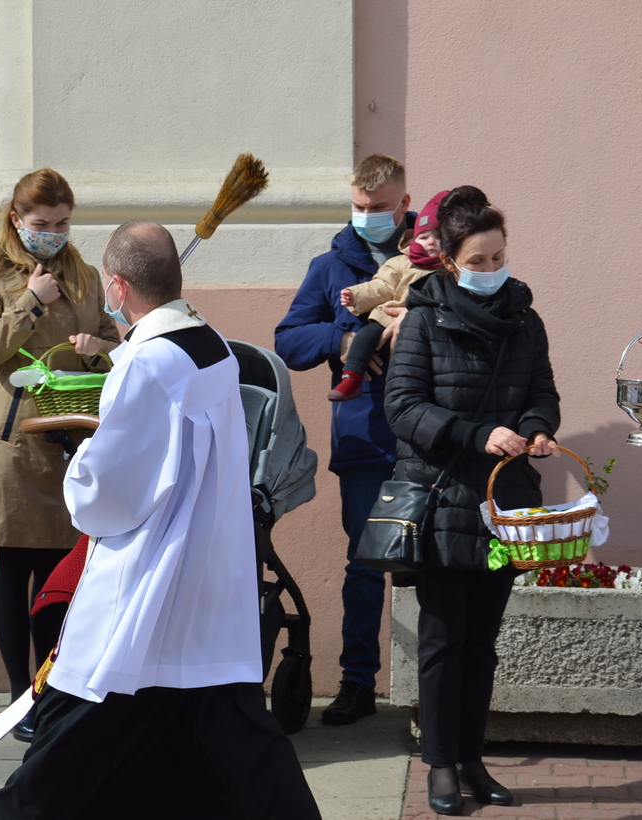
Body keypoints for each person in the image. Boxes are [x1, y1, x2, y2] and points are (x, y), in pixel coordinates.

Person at [0, 220, 320, 820]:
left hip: (150, 584)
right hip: (204, 582)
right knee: (229, 746)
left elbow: (110, 497)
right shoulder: (210, 344)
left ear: (116, 286)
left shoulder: (148, 363)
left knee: (73, 747)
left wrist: (78, 460)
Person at [384, 185, 559, 814]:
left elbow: (543, 390)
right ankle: (438, 766)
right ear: (451, 261)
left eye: (498, 257)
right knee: (441, 639)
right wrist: (477, 434)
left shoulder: (525, 319)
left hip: (504, 504)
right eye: (478, 260)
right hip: (442, 501)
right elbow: (401, 407)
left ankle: (471, 760)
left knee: (482, 642)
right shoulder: (424, 318)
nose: (491, 270)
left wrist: (538, 426)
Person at [0, 169, 121, 719]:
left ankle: (51, 688)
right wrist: (29, 301)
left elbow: (113, 337)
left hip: (72, 437)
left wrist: (96, 345)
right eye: (41, 224)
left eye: (61, 223)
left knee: (60, 570)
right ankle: (17, 694)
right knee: (14, 565)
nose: (53, 233)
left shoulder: (83, 272)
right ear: (17, 220)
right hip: (12, 438)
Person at [274, 152, 413, 724]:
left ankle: (430, 683)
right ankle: (359, 683)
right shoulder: (330, 267)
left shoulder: (433, 258)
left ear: (404, 205)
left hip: (430, 436)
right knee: (364, 564)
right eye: (359, 207)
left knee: (433, 563)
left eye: (379, 209)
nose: (367, 217)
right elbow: (289, 341)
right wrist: (349, 337)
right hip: (364, 438)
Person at [331, 189, 446, 402]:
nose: (430, 242)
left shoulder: (449, 269)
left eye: (438, 237)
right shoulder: (401, 262)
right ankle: (351, 376)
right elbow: (382, 286)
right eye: (424, 236)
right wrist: (356, 294)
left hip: (428, 327)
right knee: (366, 336)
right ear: (414, 239)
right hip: (388, 318)